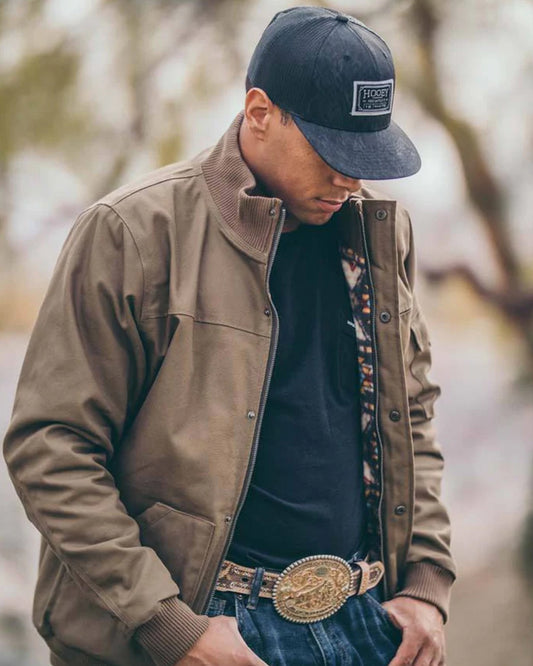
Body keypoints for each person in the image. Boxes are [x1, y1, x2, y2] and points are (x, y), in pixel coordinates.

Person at [3, 6, 456, 666]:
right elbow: (51, 446)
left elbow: (410, 416)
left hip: (366, 620)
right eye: (331, 152)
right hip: (202, 629)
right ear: (259, 111)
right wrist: (169, 625)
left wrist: (426, 584)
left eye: (364, 155)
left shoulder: (380, 236)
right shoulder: (134, 232)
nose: (350, 179)